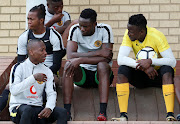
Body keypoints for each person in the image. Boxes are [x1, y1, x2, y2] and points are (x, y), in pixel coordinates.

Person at [0, 4, 65, 113]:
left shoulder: (53, 35)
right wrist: (31, 76)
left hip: (50, 71)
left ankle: (41, 110)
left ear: (41, 20)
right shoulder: (24, 37)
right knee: (9, 86)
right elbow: (20, 62)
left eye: (31, 19)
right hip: (28, 71)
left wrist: (42, 74)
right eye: (28, 19)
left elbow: (57, 64)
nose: (29, 22)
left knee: (48, 81)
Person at [111, 14, 176, 121]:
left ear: (141, 32)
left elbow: (172, 61)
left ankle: (170, 114)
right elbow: (120, 59)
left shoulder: (157, 36)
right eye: (128, 30)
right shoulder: (128, 36)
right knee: (122, 69)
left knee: (167, 69)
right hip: (141, 77)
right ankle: (123, 115)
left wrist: (151, 61)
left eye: (131, 31)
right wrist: (144, 67)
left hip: (158, 77)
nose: (128, 33)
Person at [62, 8, 114, 121]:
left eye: (86, 26)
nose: (82, 29)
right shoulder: (74, 29)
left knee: (102, 65)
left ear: (95, 24)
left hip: (100, 76)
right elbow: (70, 56)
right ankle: (66, 112)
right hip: (82, 75)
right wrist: (98, 52)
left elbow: (106, 58)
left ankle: (102, 112)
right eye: (81, 25)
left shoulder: (105, 29)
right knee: (68, 65)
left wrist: (80, 58)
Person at [9, 39, 67, 124]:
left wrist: (49, 108)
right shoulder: (18, 67)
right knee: (28, 110)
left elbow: (51, 93)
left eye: (45, 50)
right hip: (18, 109)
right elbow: (14, 90)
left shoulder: (47, 70)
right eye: (42, 50)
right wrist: (33, 78)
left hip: (37, 108)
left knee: (62, 112)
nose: (45, 53)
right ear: (31, 52)